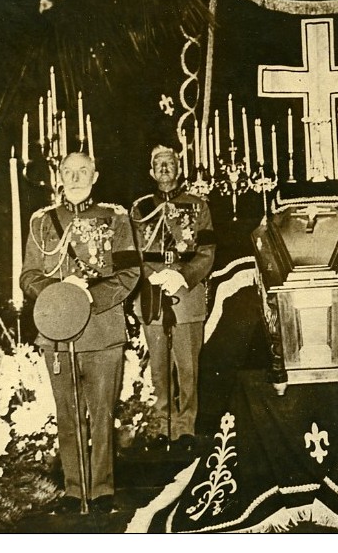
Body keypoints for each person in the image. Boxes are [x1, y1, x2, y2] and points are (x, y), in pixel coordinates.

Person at [20, 152, 141, 515]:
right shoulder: (42, 222)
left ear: (96, 174)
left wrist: (87, 295)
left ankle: (102, 489)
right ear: (58, 176)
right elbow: (28, 276)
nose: (75, 178)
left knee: (102, 413)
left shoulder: (115, 217)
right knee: (67, 414)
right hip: (56, 333)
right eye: (68, 172)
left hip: (103, 331)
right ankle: (75, 490)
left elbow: (130, 273)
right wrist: (59, 296)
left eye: (83, 171)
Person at [131, 145, 215, 451]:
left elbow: (207, 252)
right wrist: (152, 276)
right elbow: (131, 251)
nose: (165, 169)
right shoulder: (139, 209)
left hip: (186, 295)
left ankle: (184, 429)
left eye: (171, 164)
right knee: (158, 366)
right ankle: (160, 425)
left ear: (179, 169)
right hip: (152, 293)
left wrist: (182, 275)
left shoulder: (198, 206)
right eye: (159, 164)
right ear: (151, 172)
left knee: (188, 367)